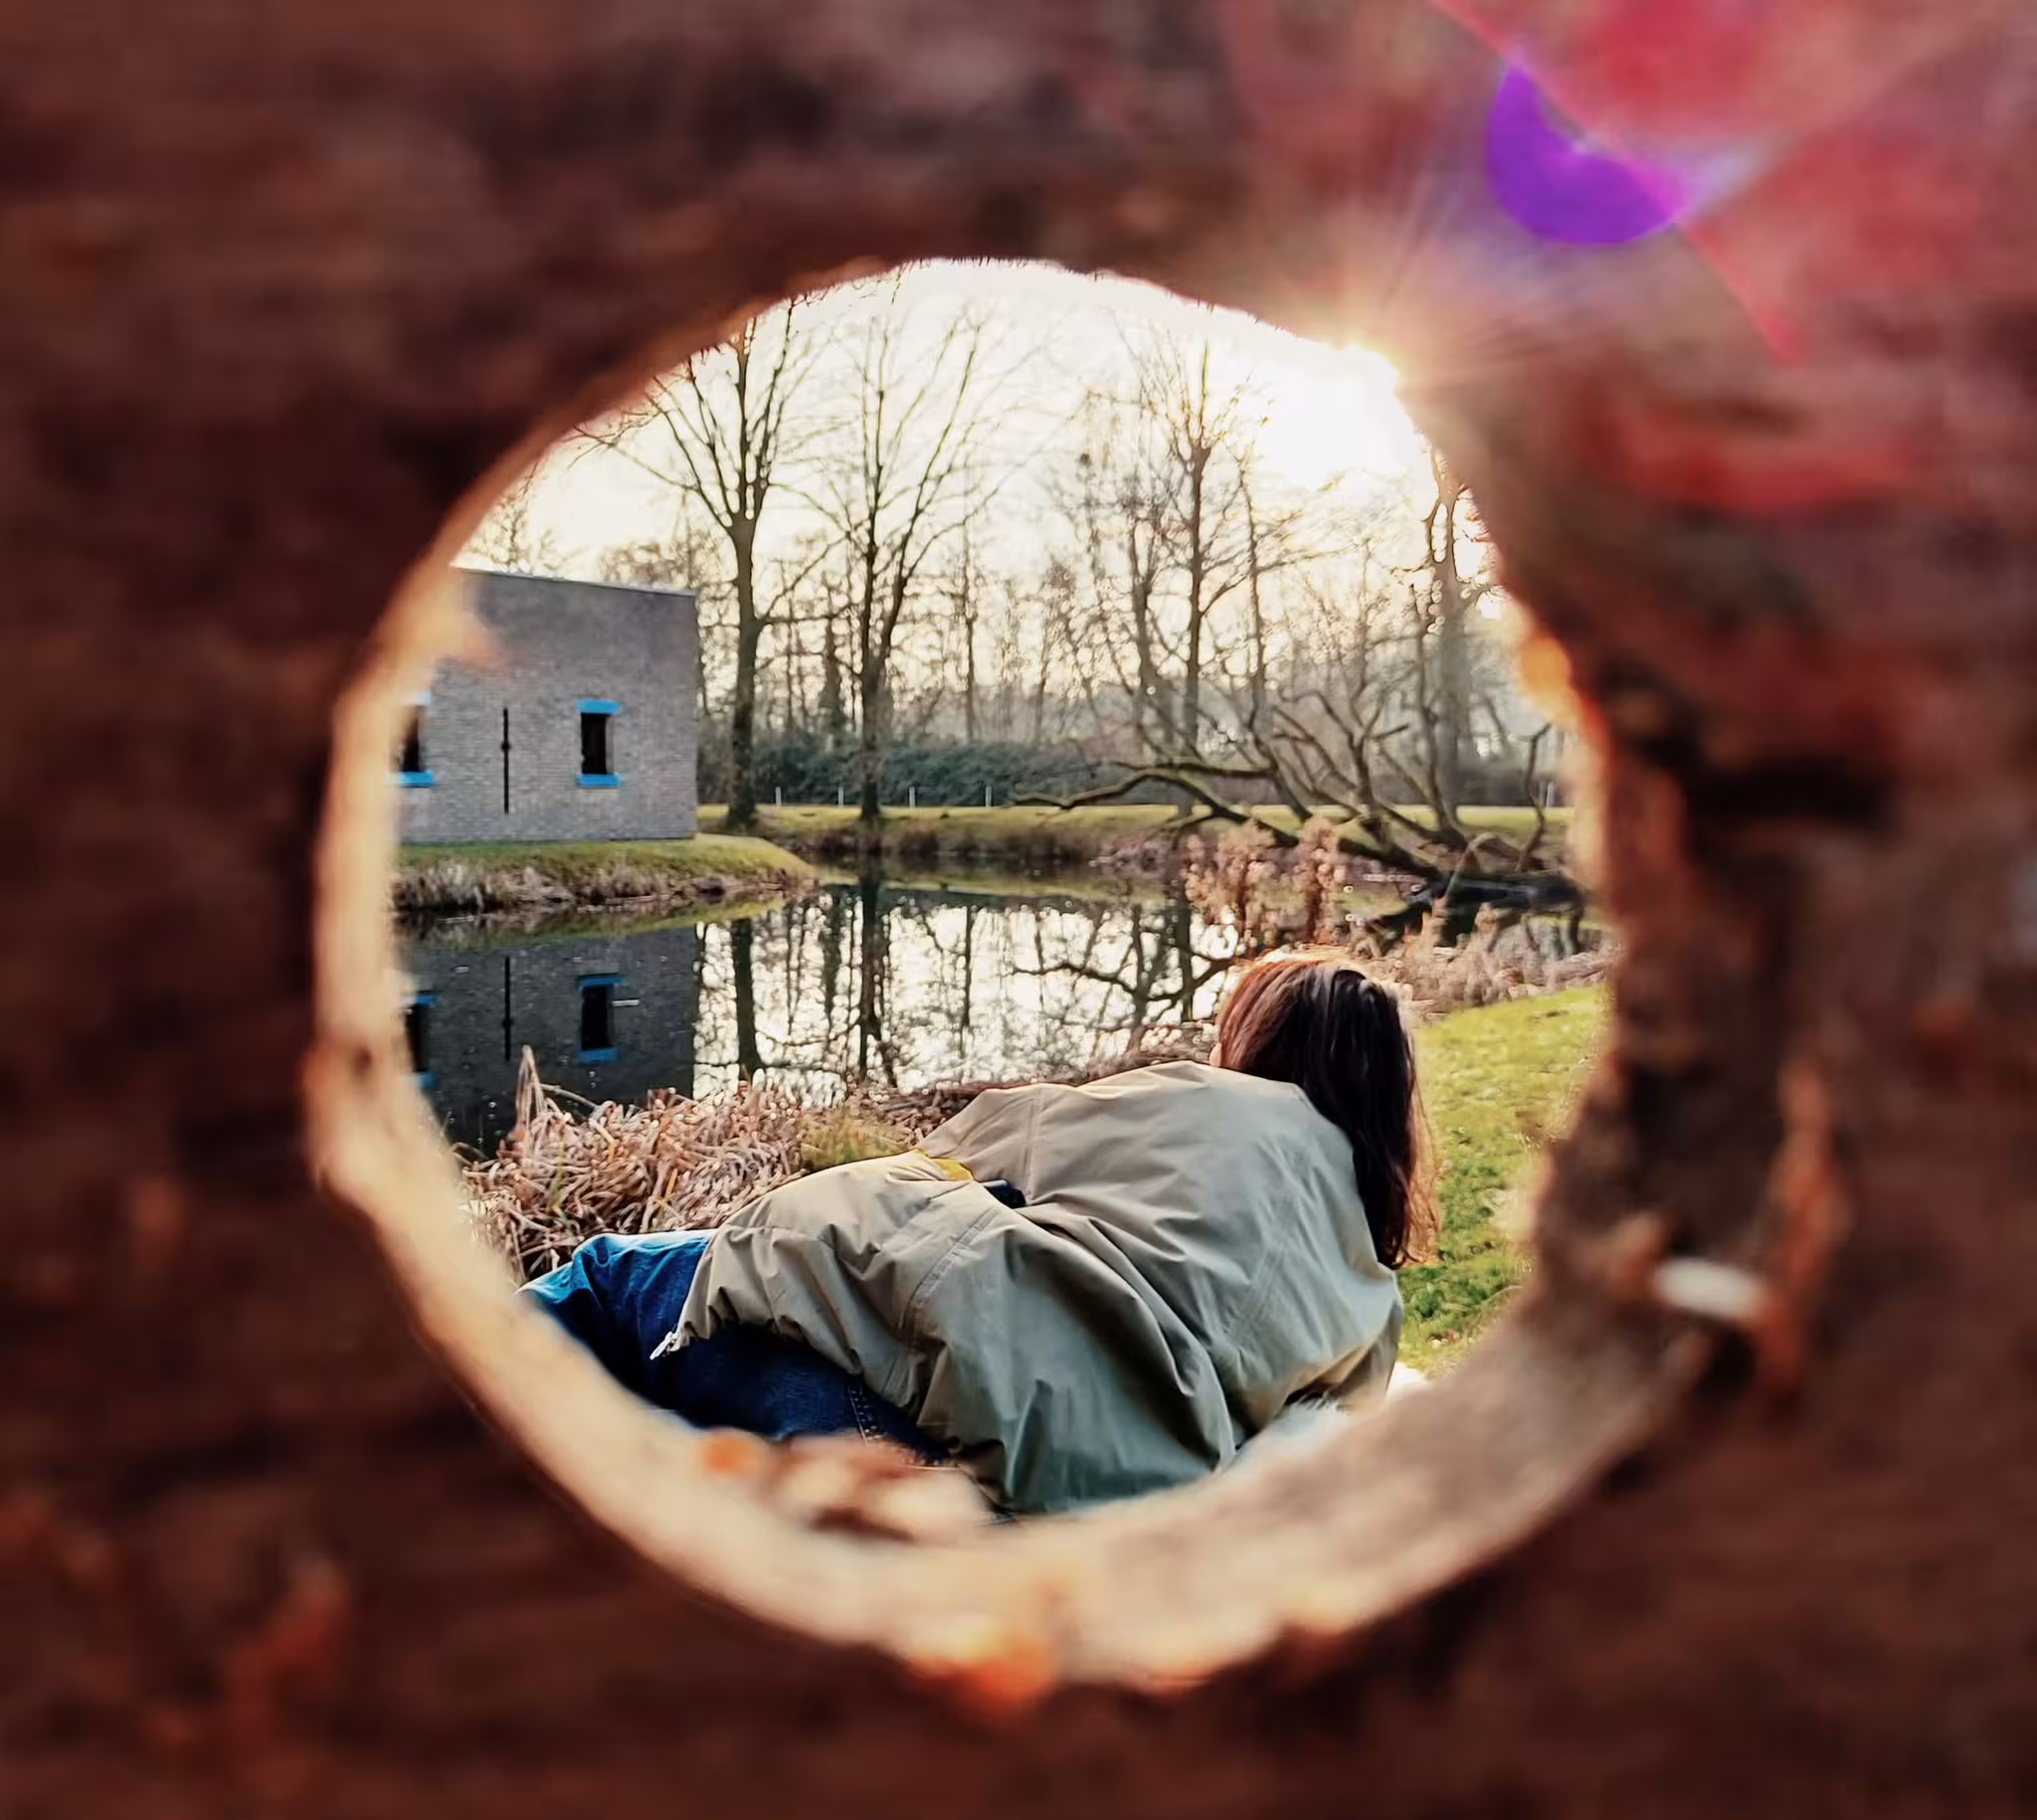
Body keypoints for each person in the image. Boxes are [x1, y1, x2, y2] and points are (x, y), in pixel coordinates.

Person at [525, 947, 1434, 1516]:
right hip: (1049, 1495)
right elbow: (1308, 1436)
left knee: (607, 1279)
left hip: (887, 1406)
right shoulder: (1372, 1297)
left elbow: (990, 1138)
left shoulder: (1211, 1103)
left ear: (1259, 1045)